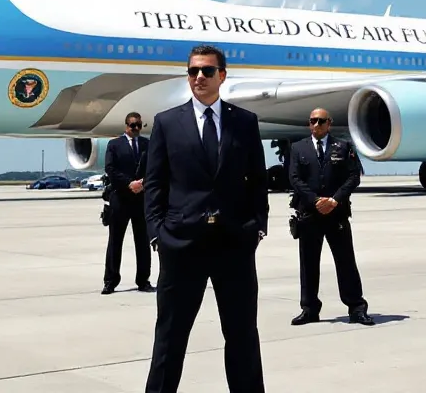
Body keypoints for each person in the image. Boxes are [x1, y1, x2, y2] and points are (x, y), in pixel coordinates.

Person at [142, 44, 269, 393]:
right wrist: (158, 235)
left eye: (208, 71)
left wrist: (257, 227)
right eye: (194, 70)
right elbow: (155, 184)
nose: (199, 76)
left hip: (234, 244)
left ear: (222, 76)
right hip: (182, 246)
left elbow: (258, 180)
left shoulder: (245, 123)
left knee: (242, 336)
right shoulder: (167, 123)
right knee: (169, 338)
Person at [287, 107, 373, 326]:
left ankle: (356, 308)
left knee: (346, 262)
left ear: (329, 123)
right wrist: (315, 201)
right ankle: (309, 309)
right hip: (309, 214)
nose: (317, 125)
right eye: (313, 121)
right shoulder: (298, 148)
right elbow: (295, 178)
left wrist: (335, 200)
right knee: (308, 264)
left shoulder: (343, 147)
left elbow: (353, 177)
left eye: (321, 121)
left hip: (337, 214)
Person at [102, 112, 154, 294]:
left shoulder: (148, 145)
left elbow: (155, 167)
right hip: (120, 199)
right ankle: (110, 281)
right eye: (133, 125)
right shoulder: (114, 145)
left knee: (142, 242)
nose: (137, 129)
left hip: (141, 199)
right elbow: (110, 168)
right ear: (126, 126)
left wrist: (143, 183)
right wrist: (128, 183)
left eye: (139, 125)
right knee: (115, 242)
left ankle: (143, 280)